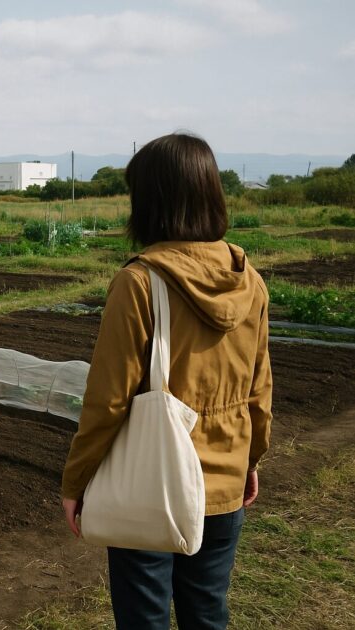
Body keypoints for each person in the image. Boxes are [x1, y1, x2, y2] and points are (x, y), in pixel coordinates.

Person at [60, 132, 273, 629]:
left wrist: (77, 482)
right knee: (207, 613)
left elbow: (107, 400)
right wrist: (251, 459)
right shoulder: (250, 280)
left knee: (144, 618)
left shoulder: (140, 282)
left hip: (149, 482)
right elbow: (259, 390)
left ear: (150, 202)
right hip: (224, 477)